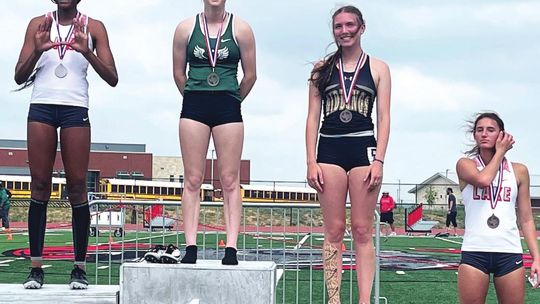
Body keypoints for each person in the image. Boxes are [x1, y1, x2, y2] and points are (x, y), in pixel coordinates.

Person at [14, 0, 118, 289]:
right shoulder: (38, 24)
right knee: (39, 185)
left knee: (76, 186)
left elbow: (112, 77)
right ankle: (35, 268)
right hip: (42, 107)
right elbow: (19, 75)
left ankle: (79, 269)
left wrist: (87, 52)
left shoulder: (93, 27)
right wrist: (37, 49)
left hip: (74, 108)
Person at [305, 5, 391, 303]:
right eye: (338, 26)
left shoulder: (378, 68)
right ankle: (334, 299)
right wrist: (310, 160)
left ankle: (364, 300)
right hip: (329, 149)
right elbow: (312, 118)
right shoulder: (322, 69)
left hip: (363, 150)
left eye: (349, 25)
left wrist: (379, 160)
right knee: (334, 230)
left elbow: (384, 117)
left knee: (362, 229)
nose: (344, 31)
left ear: (361, 27)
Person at [172, 0, 256, 265]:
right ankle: (191, 247)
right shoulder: (185, 28)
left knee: (230, 180)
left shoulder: (242, 29)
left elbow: (251, 75)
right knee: (193, 179)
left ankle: (230, 248)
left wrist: (231, 100)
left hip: (228, 106)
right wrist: (195, 97)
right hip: (194, 105)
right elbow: (177, 73)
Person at [456, 112, 540, 303]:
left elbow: (526, 219)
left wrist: (536, 258)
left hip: (509, 252)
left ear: (501, 135)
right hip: (475, 251)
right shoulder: (465, 164)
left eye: (491, 130)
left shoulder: (519, 171)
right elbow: (483, 180)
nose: (484, 134)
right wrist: (501, 152)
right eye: (479, 130)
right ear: (474, 136)